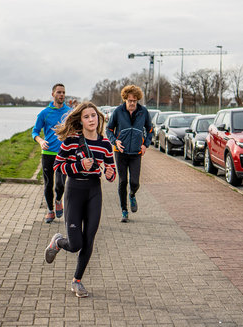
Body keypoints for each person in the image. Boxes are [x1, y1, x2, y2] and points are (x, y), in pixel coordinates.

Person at [44, 102, 116, 298]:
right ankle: (58, 242)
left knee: (89, 239)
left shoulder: (105, 144)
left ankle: (77, 281)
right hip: (74, 190)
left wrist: (110, 173)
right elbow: (58, 166)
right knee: (76, 244)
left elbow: (111, 171)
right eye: (86, 117)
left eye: (94, 115)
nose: (91, 119)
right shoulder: (71, 141)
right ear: (81, 120)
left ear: (99, 118)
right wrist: (79, 165)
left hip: (94, 190)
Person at [106, 85, 153, 223]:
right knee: (122, 181)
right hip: (120, 152)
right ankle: (124, 210)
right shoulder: (118, 112)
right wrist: (115, 142)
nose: (132, 103)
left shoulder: (143, 112)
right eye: (129, 100)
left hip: (136, 153)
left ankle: (132, 194)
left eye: (135, 100)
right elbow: (108, 129)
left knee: (134, 182)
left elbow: (150, 130)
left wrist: (146, 145)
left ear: (138, 100)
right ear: (125, 99)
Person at [32, 83, 72, 223]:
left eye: (63, 92)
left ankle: (58, 199)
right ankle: (50, 210)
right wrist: (41, 141)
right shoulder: (44, 113)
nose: (61, 95)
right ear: (53, 94)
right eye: (59, 92)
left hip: (64, 154)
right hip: (48, 153)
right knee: (48, 183)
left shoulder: (70, 112)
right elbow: (35, 132)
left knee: (60, 184)